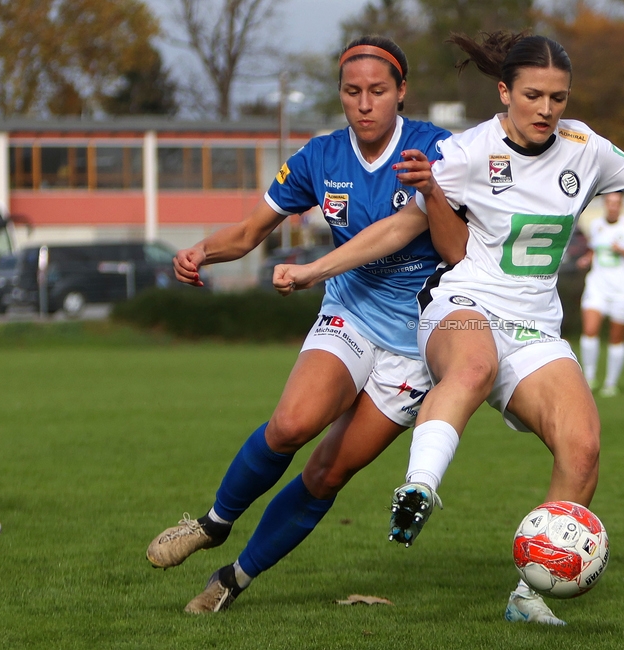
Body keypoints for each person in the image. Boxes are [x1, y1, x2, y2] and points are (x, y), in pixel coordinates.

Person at [274, 31, 624, 625]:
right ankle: (418, 487)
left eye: (559, 98)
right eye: (534, 95)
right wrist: (315, 270)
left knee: (583, 445)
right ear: (504, 91)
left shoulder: (584, 147)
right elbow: (398, 229)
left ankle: (531, 592)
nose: (547, 109)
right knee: (471, 366)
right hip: (460, 302)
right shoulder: (464, 152)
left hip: (535, 325)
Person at [144, 35, 465, 614]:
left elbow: (449, 245)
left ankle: (232, 578)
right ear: (340, 96)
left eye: (378, 91)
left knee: (326, 471)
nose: (364, 103)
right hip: (351, 311)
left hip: (416, 343)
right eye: (352, 92)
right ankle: (214, 523)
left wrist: (431, 192)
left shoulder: (436, 148)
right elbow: (248, 233)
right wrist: (200, 252)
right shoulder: (320, 157)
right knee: (291, 424)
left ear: (401, 94)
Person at [577, 192, 624, 397]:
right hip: (597, 286)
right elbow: (594, 250)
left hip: (623, 289)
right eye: (609, 202)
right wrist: (587, 258)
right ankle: (589, 378)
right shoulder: (596, 225)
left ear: (621, 205)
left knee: (616, 336)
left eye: (617, 203)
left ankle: (611, 383)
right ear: (604, 204)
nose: (613, 206)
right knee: (590, 330)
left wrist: (623, 250)